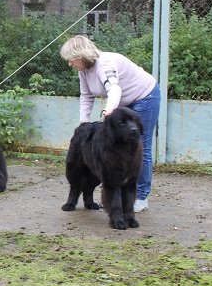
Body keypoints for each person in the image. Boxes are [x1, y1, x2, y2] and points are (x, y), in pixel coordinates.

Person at [60, 34, 160, 213]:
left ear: (81, 55)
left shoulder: (104, 64)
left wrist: (108, 112)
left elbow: (114, 88)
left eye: (71, 59)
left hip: (145, 97)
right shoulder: (83, 70)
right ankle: (119, 194)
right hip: (124, 101)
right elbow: (86, 96)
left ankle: (141, 197)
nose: (69, 64)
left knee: (140, 146)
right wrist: (83, 123)